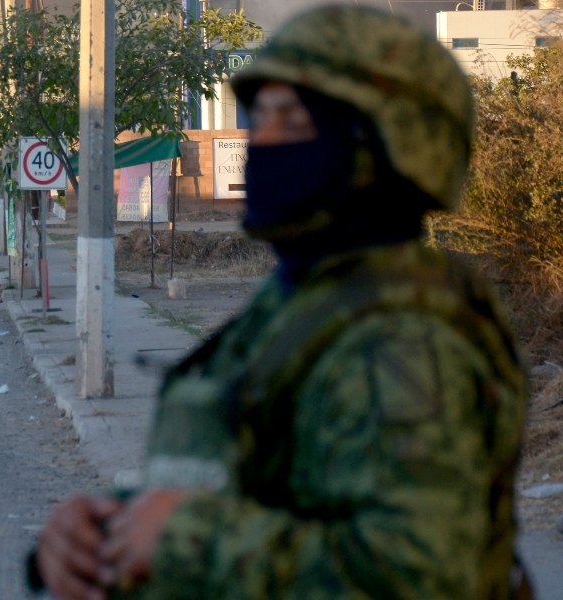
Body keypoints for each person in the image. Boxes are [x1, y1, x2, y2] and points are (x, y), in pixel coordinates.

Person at [31, 5, 530, 600]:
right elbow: (262, 488)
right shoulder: (304, 304)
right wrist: (107, 528)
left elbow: (421, 573)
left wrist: (190, 537)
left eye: (291, 120)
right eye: (259, 115)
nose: (260, 140)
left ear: (386, 145)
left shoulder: (408, 341)